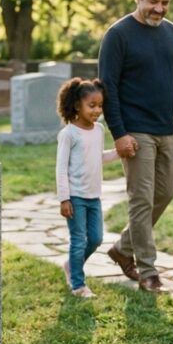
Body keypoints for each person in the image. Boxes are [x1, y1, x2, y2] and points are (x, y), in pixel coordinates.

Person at [98, 0, 173, 293]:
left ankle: (122, 248)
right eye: (153, 1)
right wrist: (119, 133)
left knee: (165, 194)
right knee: (141, 200)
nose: (159, 8)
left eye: (165, 3)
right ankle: (148, 271)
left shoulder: (172, 33)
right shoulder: (118, 35)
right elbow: (107, 88)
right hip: (135, 131)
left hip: (165, 129)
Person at [55, 78, 119, 299]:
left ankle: (71, 265)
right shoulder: (69, 134)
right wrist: (64, 199)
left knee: (96, 238)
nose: (97, 110)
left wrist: (119, 152)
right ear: (77, 105)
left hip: (94, 196)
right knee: (78, 240)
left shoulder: (99, 130)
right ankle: (78, 285)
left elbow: (98, 157)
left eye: (100, 105)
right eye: (92, 105)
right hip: (75, 197)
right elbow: (61, 169)